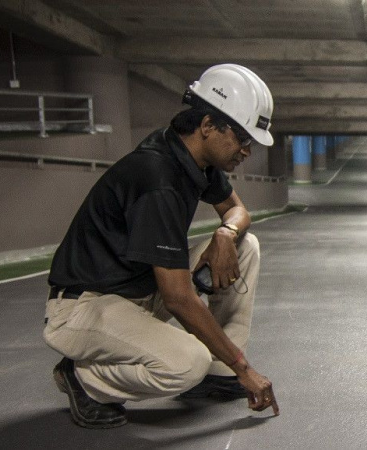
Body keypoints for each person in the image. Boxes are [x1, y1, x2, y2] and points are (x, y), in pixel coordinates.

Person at [44, 64, 279, 428]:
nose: (247, 151)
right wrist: (245, 369)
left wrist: (225, 235)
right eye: (243, 139)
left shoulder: (191, 157)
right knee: (186, 364)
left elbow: (236, 210)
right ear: (207, 126)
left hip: (136, 291)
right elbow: (178, 298)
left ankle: (219, 371)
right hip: (84, 307)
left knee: (245, 246)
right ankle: (85, 379)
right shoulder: (157, 179)